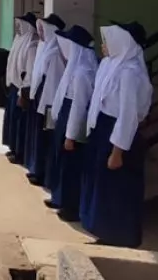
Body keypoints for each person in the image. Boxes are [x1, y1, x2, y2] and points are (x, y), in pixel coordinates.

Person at [80, 22, 152, 248]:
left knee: (118, 190)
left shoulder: (130, 73)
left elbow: (128, 115)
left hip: (118, 136)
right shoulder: (113, 66)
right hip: (105, 131)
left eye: (109, 40)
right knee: (105, 187)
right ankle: (107, 234)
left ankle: (120, 237)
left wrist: (117, 151)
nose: (104, 45)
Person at [48, 25, 97, 222]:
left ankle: (71, 206)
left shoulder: (83, 73)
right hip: (66, 117)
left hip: (74, 122)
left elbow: (78, 106)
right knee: (62, 162)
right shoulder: (74, 69)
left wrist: (71, 135)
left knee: (72, 166)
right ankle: (60, 198)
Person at [25, 14, 66, 187]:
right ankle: (36, 168)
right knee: (38, 136)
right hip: (40, 97)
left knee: (45, 138)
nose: (40, 32)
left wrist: (47, 107)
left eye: (44, 29)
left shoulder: (56, 52)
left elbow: (53, 83)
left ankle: (42, 173)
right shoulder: (45, 48)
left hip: (48, 102)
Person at [10, 13, 40, 164]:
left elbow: (30, 72)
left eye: (20, 24)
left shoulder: (31, 45)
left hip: (23, 89)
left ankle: (20, 152)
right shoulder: (19, 40)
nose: (17, 27)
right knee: (13, 120)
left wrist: (23, 90)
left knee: (21, 122)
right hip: (15, 86)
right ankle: (13, 148)